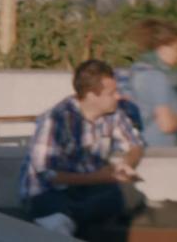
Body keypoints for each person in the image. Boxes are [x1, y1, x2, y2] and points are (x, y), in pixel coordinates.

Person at [20, 59, 146, 237]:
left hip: (88, 189)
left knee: (131, 195)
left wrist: (126, 163)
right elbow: (47, 174)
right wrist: (99, 177)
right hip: (50, 191)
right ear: (91, 95)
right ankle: (67, 216)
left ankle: (70, 217)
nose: (118, 96)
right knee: (56, 217)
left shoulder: (114, 114)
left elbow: (135, 144)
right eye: (111, 93)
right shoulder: (57, 119)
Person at [126, 19, 177, 146]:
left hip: (144, 145)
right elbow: (167, 126)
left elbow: (155, 109)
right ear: (162, 49)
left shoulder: (139, 72)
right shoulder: (157, 78)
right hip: (159, 150)